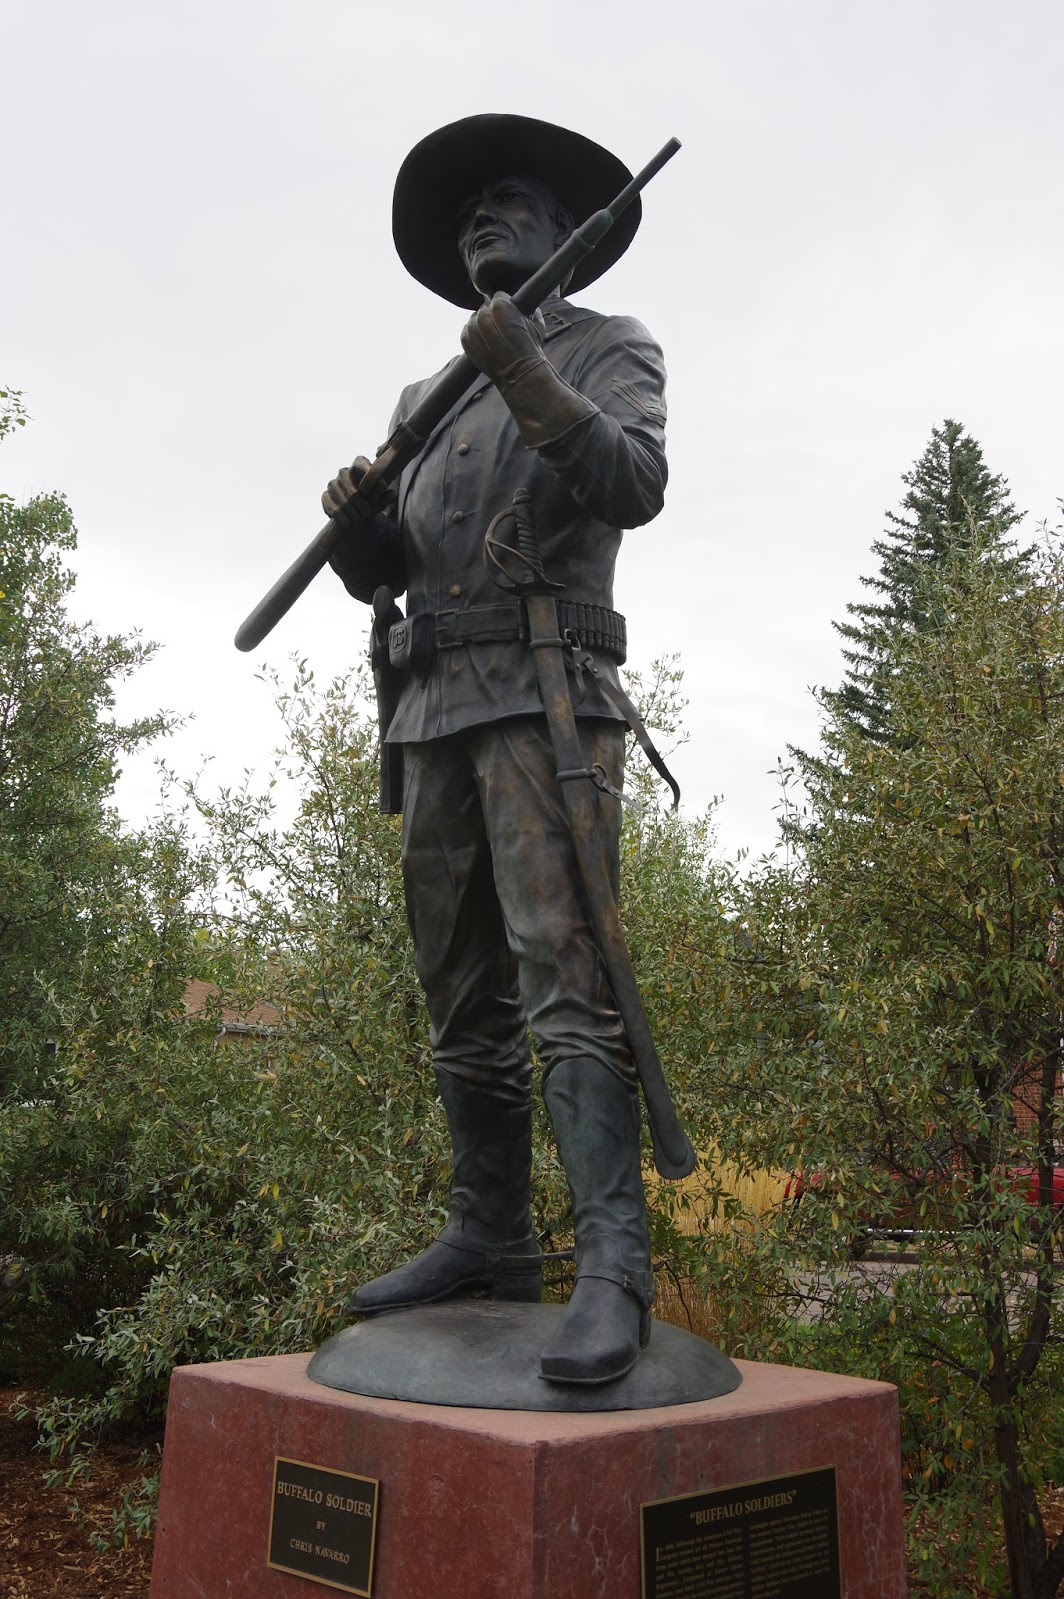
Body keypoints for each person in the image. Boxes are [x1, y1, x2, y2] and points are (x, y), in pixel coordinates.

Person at [323, 114, 668, 1385]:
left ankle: (612, 1267)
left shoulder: (604, 349)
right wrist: (360, 530)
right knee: (458, 994)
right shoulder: (423, 400)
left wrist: (522, 362)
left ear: (561, 234)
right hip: (431, 711)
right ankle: (488, 1238)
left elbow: (630, 480)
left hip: (544, 706)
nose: (480, 221)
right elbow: (397, 573)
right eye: (466, 210)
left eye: (506, 203)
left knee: (561, 980)